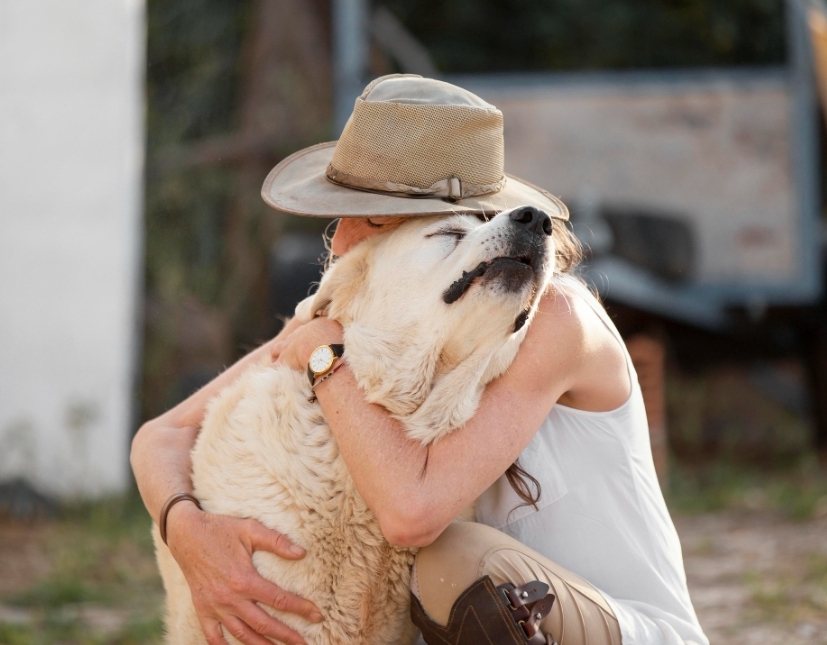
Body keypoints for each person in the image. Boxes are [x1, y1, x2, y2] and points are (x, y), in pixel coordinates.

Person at [131, 75, 708, 645]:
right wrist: (188, 529)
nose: (339, 237)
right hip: (509, 620)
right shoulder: (362, 316)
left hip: (628, 630)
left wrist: (328, 358)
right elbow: (162, 435)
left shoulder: (553, 318)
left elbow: (411, 511)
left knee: (452, 565)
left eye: (363, 215)